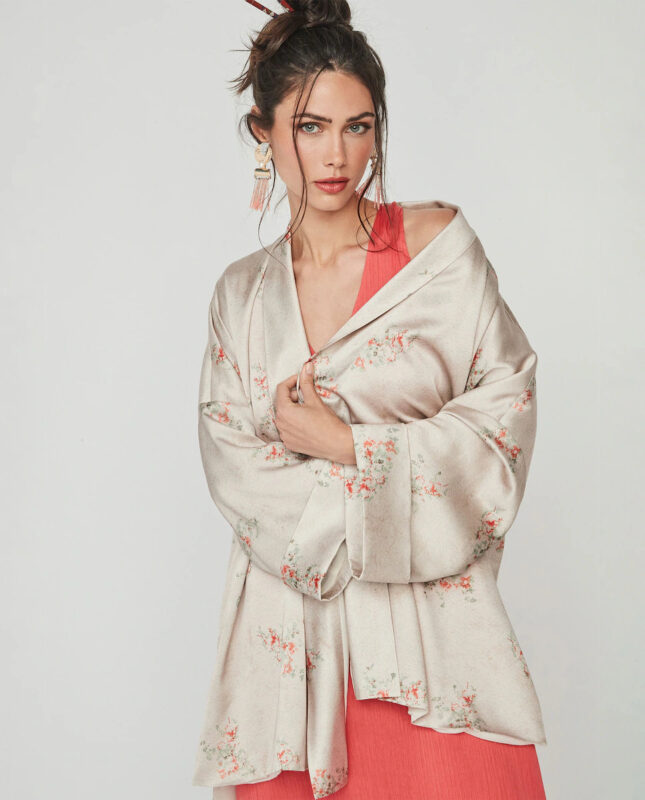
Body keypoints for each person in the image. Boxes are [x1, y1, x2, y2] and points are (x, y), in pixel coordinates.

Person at [192, 2, 548, 798]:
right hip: (292, 665)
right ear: (262, 132)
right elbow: (236, 471)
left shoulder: (434, 254)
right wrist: (380, 505)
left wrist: (350, 446)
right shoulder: (240, 298)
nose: (336, 155)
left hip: (436, 654)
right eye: (309, 127)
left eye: (358, 127)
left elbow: (504, 413)